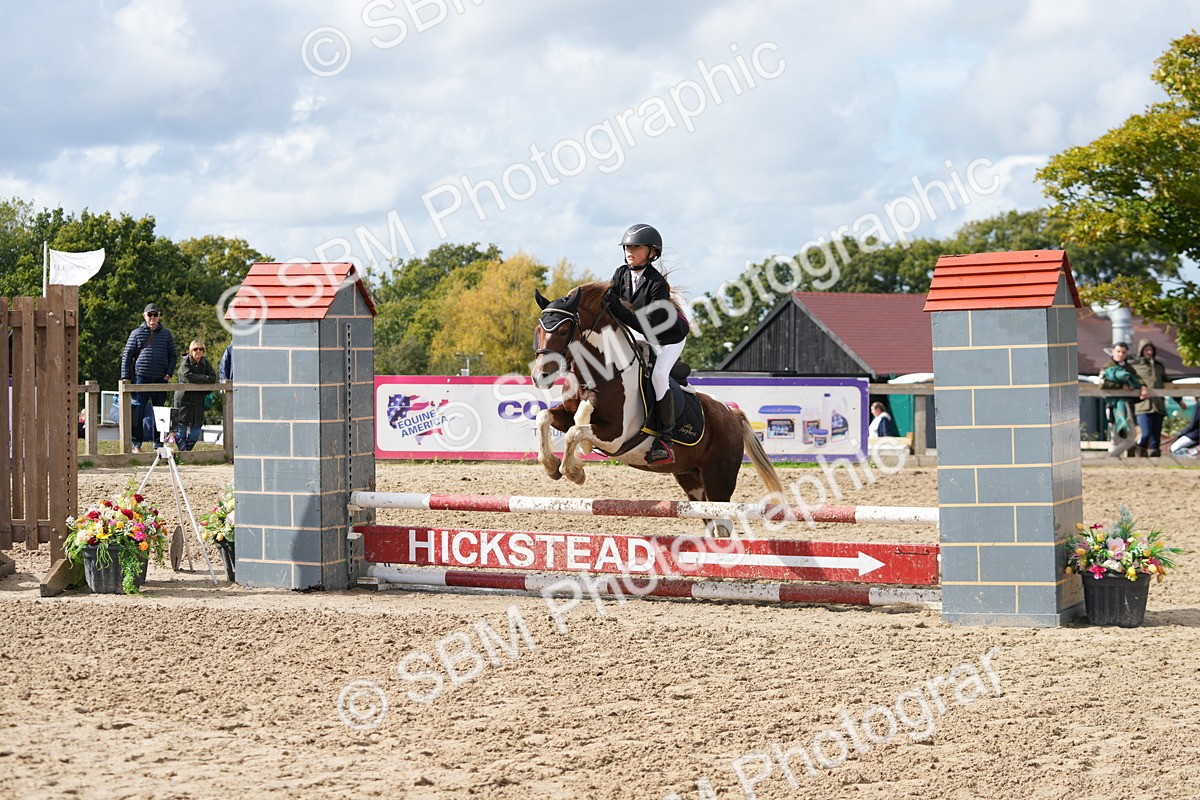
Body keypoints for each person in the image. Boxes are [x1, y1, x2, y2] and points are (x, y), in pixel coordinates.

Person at [602, 223, 689, 464]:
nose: (630, 251)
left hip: (667, 337)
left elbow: (646, 324)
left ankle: (665, 440)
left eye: (636, 247)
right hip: (639, 332)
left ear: (652, 252)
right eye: (627, 247)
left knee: (659, 376)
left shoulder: (657, 284)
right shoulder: (621, 273)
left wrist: (616, 306)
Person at [120, 304, 177, 453]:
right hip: (141, 378)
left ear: (159, 316)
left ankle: (158, 444)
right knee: (138, 411)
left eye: (155, 314)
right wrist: (126, 377)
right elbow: (127, 356)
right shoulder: (136, 333)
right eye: (149, 315)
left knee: (160, 413)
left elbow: (173, 356)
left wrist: (168, 374)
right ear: (144, 316)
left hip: (160, 379)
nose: (152, 317)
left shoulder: (166, 334)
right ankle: (136, 444)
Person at [1099, 342, 1146, 459]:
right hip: (1113, 405)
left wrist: (1143, 386)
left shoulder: (1128, 368)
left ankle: (1110, 457)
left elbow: (1138, 379)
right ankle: (1111, 459)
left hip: (1126, 405)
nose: (1120, 354)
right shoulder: (1107, 366)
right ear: (1113, 352)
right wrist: (1121, 386)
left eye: (1123, 352)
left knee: (1129, 438)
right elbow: (1102, 384)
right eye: (1118, 351)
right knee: (1115, 437)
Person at [172, 339, 216, 451]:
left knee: (196, 432)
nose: (198, 351)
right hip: (182, 401)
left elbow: (213, 377)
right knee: (179, 430)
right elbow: (187, 377)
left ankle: (187, 453)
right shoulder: (185, 362)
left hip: (198, 401)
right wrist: (204, 378)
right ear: (191, 351)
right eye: (195, 349)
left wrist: (200, 378)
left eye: (200, 349)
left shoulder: (205, 363)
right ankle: (183, 454)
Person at [1131, 339, 1167, 456]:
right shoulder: (1135, 366)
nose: (1149, 352)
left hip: (1158, 405)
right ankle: (1139, 454)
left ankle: (1155, 464)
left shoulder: (1158, 366)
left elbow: (1167, 383)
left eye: (1151, 349)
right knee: (1145, 434)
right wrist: (1142, 386)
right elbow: (1133, 380)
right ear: (1141, 351)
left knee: (1156, 438)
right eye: (1146, 350)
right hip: (1143, 406)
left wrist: (1179, 400)